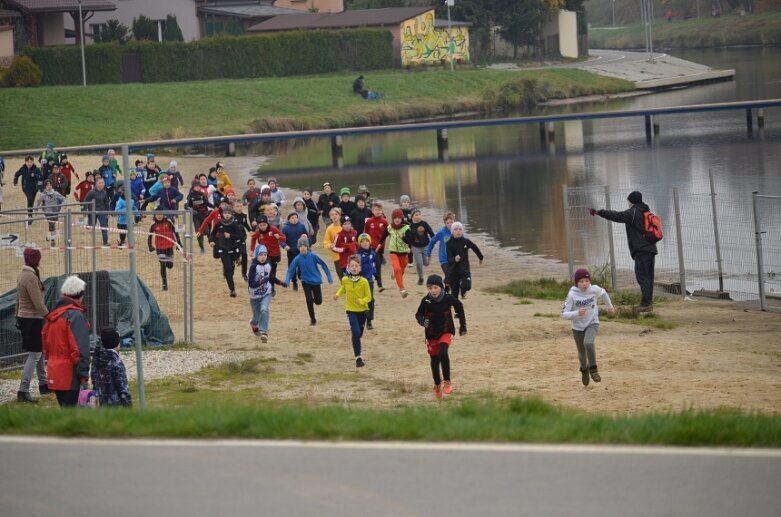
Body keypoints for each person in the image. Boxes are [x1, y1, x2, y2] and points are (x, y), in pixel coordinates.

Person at [589, 191, 657, 311]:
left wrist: (599, 212)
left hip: (641, 249)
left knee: (642, 276)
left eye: (628, 201)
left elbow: (617, 216)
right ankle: (648, 303)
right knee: (648, 276)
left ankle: (646, 304)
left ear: (632, 201)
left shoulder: (633, 212)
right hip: (651, 248)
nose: (627, 203)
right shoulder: (646, 211)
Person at [42, 275, 91, 408]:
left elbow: (45, 346)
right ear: (80, 295)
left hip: (54, 371)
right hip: (70, 374)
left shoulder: (53, 316)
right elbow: (80, 349)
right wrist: (83, 375)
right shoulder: (75, 316)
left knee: (65, 410)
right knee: (72, 416)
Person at [415, 274, 466, 399]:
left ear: (441, 287)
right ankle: (437, 384)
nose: (433, 290)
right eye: (430, 288)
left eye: (436, 287)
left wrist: (463, 325)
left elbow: (459, 306)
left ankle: (447, 382)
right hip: (431, 334)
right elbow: (418, 315)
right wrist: (422, 322)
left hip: (446, 331)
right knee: (435, 360)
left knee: (443, 352)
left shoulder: (448, 298)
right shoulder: (425, 301)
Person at [561, 268, 616, 386]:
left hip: (592, 322)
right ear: (577, 283)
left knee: (589, 343)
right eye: (581, 281)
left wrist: (610, 307)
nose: (584, 284)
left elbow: (604, 293)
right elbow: (564, 314)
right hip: (577, 327)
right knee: (581, 354)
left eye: (586, 280)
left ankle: (593, 369)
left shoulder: (593, 289)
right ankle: (584, 370)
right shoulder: (572, 295)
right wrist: (576, 313)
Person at [15, 248, 50, 404]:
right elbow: (38, 302)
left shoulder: (24, 274)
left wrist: (17, 314)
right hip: (31, 319)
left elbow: (18, 299)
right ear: (35, 260)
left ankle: (43, 384)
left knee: (40, 351)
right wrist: (50, 317)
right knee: (35, 354)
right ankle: (23, 390)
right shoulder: (30, 277)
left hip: (26, 317)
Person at [334, 255, 372, 368]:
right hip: (350, 309)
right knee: (355, 332)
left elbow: (369, 297)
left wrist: (361, 301)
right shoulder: (345, 280)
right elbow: (343, 288)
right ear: (348, 267)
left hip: (363, 311)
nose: (354, 268)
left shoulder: (364, 282)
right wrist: (337, 294)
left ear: (360, 268)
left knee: (358, 334)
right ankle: (358, 358)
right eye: (352, 266)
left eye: (356, 266)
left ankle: (356, 341)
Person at [285, 236, 333, 326]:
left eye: (304, 246)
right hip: (305, 281)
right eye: (301, 246)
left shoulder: (313, 256)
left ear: (307, 247)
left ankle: (314, 300)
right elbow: (291, 270)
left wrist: (329, 277)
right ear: (298, 248)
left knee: (318, 301)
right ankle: (313, 319)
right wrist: (287, 281)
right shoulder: (297, 258)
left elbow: (324, 265)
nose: (303, 248)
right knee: (309, 300)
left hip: (316, 281)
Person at [247, 244, 287, 342]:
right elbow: (251, 284)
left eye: (265, 255)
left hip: (266, 293)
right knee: (256, 316)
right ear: (257, 255)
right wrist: (261, 281)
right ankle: (254, 323)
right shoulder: (253, 267)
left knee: (264, 310)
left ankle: (264, 332)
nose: (263, 257)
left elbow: (271, 277)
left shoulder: (268, 265)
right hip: (255, 296)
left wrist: (280, 282)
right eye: (261, 255)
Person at [90, 328, 132, 406]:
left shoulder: (96, 359)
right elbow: (122, 388)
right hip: (115, 406)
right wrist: (128, 405)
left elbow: (93, 379)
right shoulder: (116, 362)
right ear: (117, 343)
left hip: (99, 403)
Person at [210, 206, 242, 298]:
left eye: (229, 213)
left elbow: (240, 236)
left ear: (231, 214)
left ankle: (234, 263)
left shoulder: (234, 224)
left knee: (231, 268)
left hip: (232, 248)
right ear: (222, 214)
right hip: (222, 248)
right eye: (225, 213)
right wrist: (211, 241)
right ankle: (232, 290)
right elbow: (213, 234)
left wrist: (231, 236)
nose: (227, 215)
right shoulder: (219, 223)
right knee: (227, 268)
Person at [445, 222, 483, 300]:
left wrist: (480, 257)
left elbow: (474, 247)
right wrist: (454, 259)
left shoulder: (465, 241)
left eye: (460, 229)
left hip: (464, 268)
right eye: (455, 229)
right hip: (453, 269)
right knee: (454, 294)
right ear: (452, 231)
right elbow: (449, 258)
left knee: (467, 286)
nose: (458, 231)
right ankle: (456, 309)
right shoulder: (449, 243)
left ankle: (463, 291)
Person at [148, 211, 181, 291]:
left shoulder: (168, 223)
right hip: (159, 248)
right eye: (157, 215)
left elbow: (175, 232)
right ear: (155, 216)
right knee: (162, 265)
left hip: (169, 247)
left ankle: (168, 262)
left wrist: (179, 244)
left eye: (160, 214)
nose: (159, 216)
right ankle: (164, 285)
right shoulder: (153, 226)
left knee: (169, 266)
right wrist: (150, 246)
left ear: (163, 215)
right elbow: (149, 237)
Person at [426, 212, 455, 291]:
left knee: (453, 275)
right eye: (447, 223)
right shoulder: (441, 232)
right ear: (444, 223)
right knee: (449, 274)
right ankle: (449, 289)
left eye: (451, 222)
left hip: (454, 259)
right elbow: (432, 242)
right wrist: (428, 254)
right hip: (444, 259)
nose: (449, 224)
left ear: (454, 221)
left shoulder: (457, 231)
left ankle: (446, 285)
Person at [281, 211, 309, 291]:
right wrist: (284, 246)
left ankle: (300, 275)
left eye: (296, 217)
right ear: (289, 219)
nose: (294, 219)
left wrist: (307, 242)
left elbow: (307, 236)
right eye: (292, 218)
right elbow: (282, 240)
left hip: (301, 250)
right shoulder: (285, 228)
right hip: (291, 251)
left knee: (302, 265)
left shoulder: (301, 226)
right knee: (292, 266)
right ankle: (294, 282)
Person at [387, 208, 412, 298]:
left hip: (403, 253)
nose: (397, 219)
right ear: (393, 219)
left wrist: (403, 238)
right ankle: (402, 289)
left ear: (401, 218)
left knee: (401, 269)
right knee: (397, 269)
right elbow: (383, 236)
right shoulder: (390, 227)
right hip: (393, 252)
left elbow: (410, 240)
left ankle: (395, 273)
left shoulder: (406, 228)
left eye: (398, 217)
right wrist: (378, 245)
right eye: (395, 218)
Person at [364, 201, 389, 292]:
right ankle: (379, 284)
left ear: (382, 211)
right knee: (377, 264)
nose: (378, 211)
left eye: (379, 210)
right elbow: (365, 232)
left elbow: (389, 232)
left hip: (381, 247)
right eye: (376, 210)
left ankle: (376, 281)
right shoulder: (369, 221)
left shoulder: (384, 221)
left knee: (377, 264)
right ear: (372, 211)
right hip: (371, 247)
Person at [356, 233, 378, 330]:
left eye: (367, 241)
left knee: (370, 300)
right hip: (359, 281)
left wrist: (376, 275)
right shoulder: (357, 255)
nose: (365, 243)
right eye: (362, 241)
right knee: (359, 300)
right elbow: (353, 268)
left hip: (369, 281)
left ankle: (369, 321)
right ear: (359, 243)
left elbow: (374, 266)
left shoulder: (373, 254)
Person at [13, 155, 43, 221]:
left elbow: (41, 177)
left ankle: (30, 215)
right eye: (28, 162)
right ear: (25, 162)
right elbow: (17, 174)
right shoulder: (23, 168)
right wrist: (15, 181)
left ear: (33, 162)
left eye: (31, 162)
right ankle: (29, 216)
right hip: (26, 187)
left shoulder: (36, 169)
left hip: (34, 188)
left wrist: (35, 175)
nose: (29, 163)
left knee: (31, 201)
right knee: (30, 198)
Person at [409, 209, 434, 286]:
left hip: (426, 245)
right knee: (419, 263)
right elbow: (409, 238)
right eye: (416, 215)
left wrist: (433, 241)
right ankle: (421, 278)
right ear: (412, 217)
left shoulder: (424, 224)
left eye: (419, 214)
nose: (418, 216)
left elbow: (431, 233)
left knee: (426, 263)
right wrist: (409, 248)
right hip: (415, 247)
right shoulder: (410, 226)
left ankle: (428, 258)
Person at [84, 177, 111, 246]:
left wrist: (108, 212)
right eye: (100, 183)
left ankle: (105, 242)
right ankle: (88, 223)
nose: (101, 184)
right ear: (96, 184)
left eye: (103, 183)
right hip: (92, 211)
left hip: (101, 211)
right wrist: (85, 211)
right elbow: (85, 201)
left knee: (104, 226)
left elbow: (106, 203)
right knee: (92, 225)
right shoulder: (91, 192)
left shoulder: (104, 192)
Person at [114, 182, 139, 247]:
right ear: (122, 193)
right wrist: (125, 209)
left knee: (130, 233)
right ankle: (121, 242)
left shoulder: (131, 201)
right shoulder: (120, 201)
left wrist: (137, 215)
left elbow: (134, 208)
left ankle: (131, 243)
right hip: (121, 222)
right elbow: (117, 211)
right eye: (125, 192)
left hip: (130, 221)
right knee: (123, 235)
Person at [322, 207, 343, 279]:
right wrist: (330, 246)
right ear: (330, 217)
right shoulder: (329, 228)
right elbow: (326, 241)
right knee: (340, 274)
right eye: (332, 215)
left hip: (347, 255)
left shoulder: (345, 226)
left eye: (336, 214)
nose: (334, 216)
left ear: (340, 215)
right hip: (336, 256)